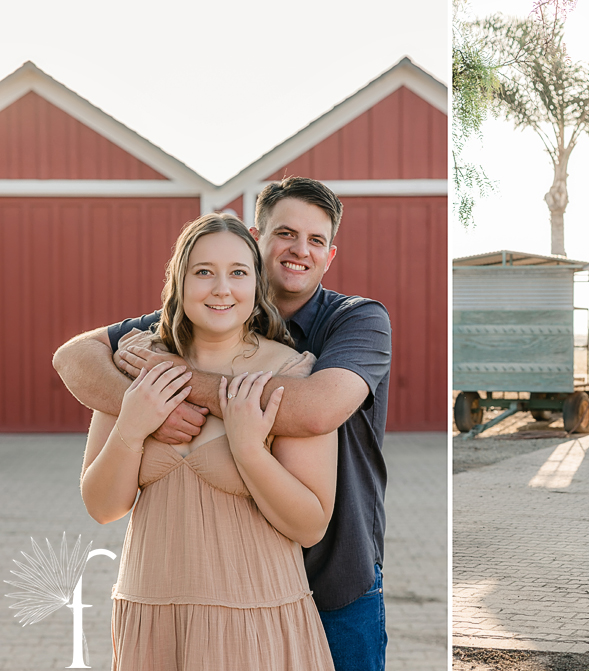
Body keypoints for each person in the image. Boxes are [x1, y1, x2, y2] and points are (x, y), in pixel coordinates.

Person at [53, 177, 392, 671]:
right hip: (155, 614)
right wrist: (136, 414)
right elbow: (74, 355)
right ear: (257, 239)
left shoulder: (351, 324)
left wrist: (176, 391)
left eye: (316, 240)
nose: (221, 287)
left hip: (327, 583)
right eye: (285, 234)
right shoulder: (147, 354)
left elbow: (317, 409)